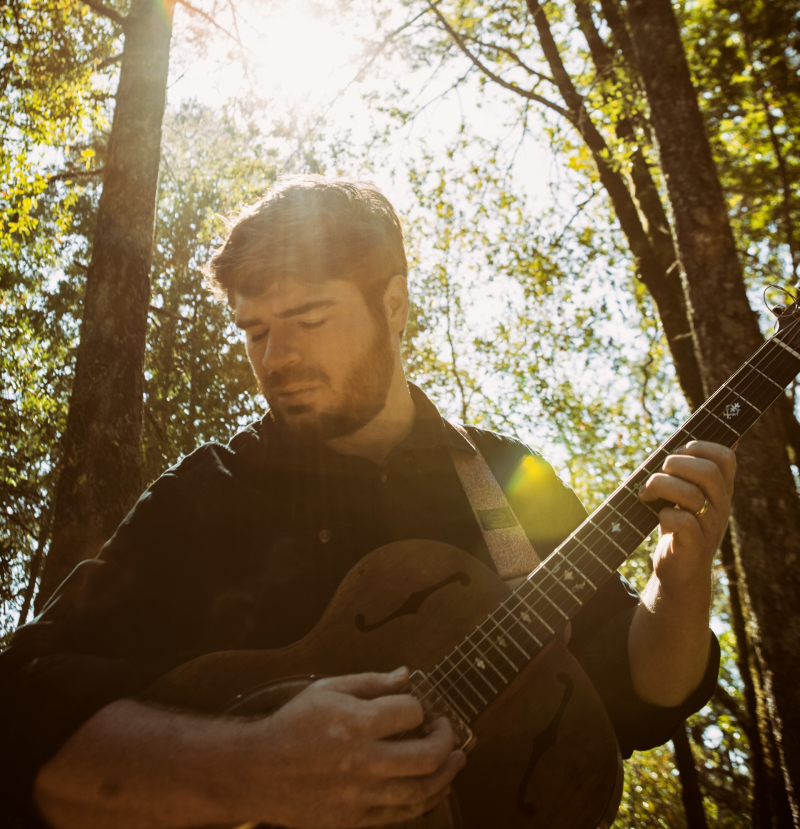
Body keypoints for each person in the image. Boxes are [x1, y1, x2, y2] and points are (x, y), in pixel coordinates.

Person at [0, 177, 733, 829]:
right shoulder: (206, 494)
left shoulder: (505, 474)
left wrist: (680, 575)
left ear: (394, 304)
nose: (276, 358)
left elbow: (637, 693)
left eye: (309, 320)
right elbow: (25, 708)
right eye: (255, 331)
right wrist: (251, 768)